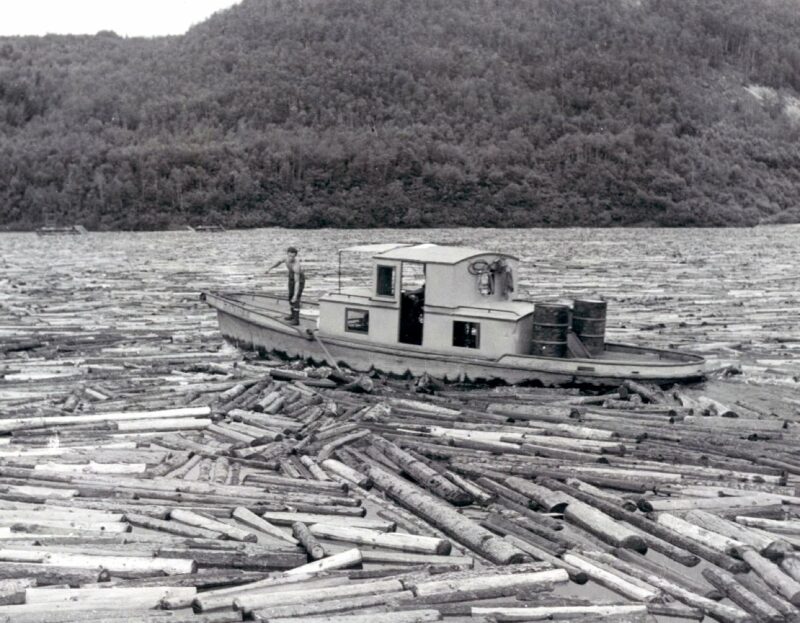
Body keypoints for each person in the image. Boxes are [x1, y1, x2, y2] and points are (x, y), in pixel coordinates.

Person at [266, 246, 305, 325]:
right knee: (290, 297)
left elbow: (297, 282)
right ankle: (292, 315)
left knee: (295, 298)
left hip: (299, 279)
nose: (291, 258)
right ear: (287, 254)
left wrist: (295, 295)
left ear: (295, 256)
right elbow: (278, 262)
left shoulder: (296, 265)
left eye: (293, 256)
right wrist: (270, 268)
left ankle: (296, 320)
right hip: (291, 276)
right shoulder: (285, 258)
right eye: (290, 256)